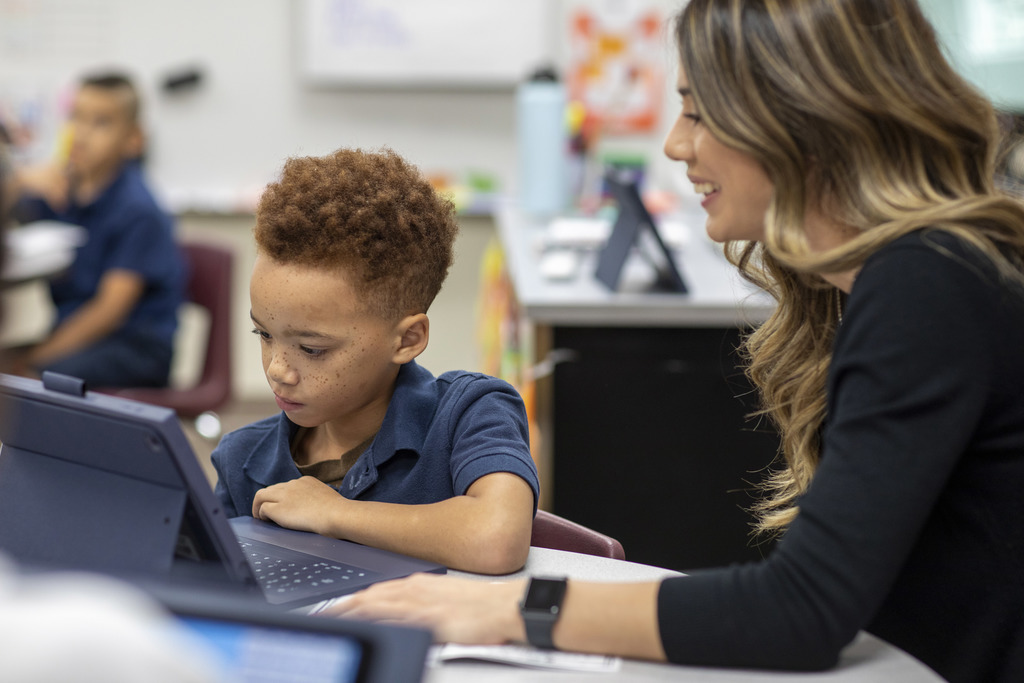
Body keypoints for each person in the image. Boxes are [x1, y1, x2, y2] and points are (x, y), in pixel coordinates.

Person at [329, 1, 1024, 681]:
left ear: (800, 116)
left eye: (697, 110)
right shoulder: (908, 272)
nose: (675, 144)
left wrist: (511, 605)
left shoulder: (925, 286)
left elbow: (802, 610)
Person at [211, 147, 539, 575]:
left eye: (312, 349)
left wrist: (335, 513)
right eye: (264, 335)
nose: (277, 370)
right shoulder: (241, 458)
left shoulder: (471, 412)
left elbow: (497, 538)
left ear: (408, 339)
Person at [11, 71, 185, 388]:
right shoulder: (61, 193)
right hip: (78, 335)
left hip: (132, 347)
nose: (82, 134)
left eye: (101, 122)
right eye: (76, 117)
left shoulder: (138, 210)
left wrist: (34, 359)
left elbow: (108, 312)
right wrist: (20, 178)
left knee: (30, 377)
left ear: (133, 139)